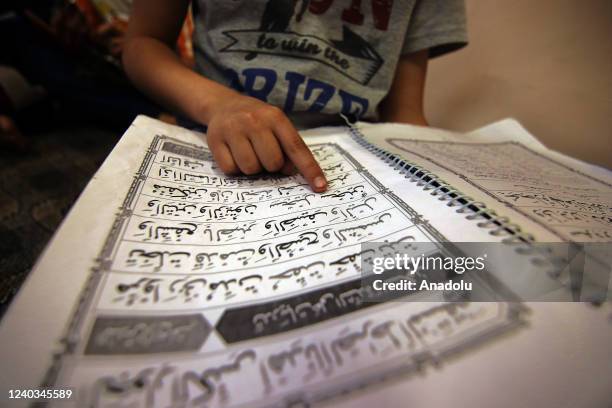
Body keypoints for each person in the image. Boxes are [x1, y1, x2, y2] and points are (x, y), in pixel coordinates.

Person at [123, 0, 467, 192]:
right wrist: (220, 105)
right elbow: (144, 43)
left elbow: (405, 116)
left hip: (357, 166)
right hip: (208, 150)